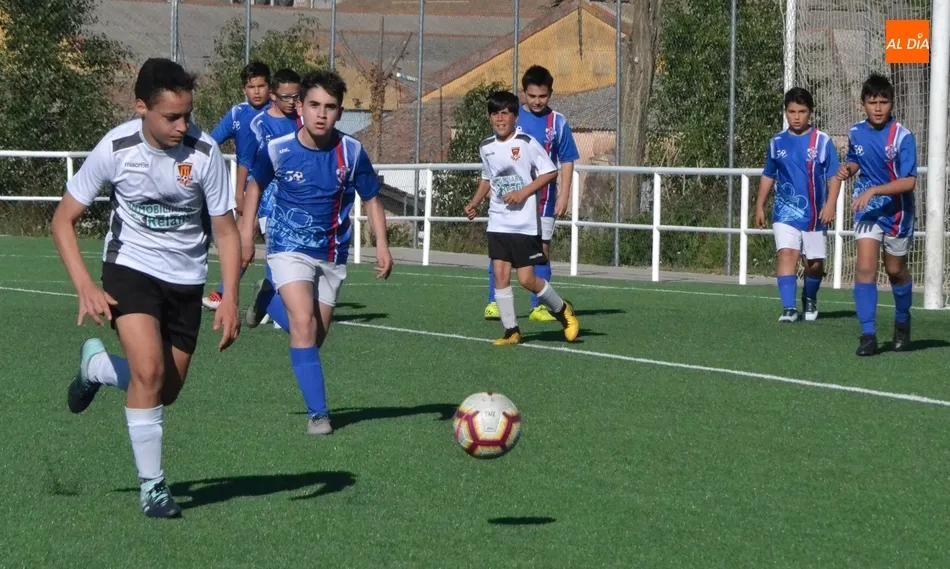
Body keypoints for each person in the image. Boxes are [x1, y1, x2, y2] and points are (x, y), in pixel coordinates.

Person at [51, 57, 242, 519]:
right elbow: (63, 220)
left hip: (185, 278)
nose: (182, 126)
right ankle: (153, 488)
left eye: (188, 115)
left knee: (165, 390)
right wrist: (83, 285)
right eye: (171, 117)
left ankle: (97, 367)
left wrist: (231, 295)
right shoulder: (116, 148)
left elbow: (227, 230)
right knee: (150, 372)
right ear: (142, 108)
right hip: (129, 268)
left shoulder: (205, 153)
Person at [239, 70, 393, 435]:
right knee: (304, 327)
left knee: (313, 336)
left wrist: (382, 245)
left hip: (332, 252)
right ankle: (318, 414)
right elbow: (254, 189)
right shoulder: (278, 150)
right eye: (314, 105)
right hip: (288, 249)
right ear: (300, 108)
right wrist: (247, 236)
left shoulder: (352, 151)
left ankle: (266, 300)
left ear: (340, 112)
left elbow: (371, 198)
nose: (321, 114)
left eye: (330, 107)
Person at [464, 91, 580, 345]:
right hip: (498, 221)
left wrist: (523, 192)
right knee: (500, 274)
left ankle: (563, 312)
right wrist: (475, 202)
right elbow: (488, 178)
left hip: (524, 223)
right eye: (495, 114)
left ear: (516, 117)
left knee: (527, 279)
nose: (500, 119)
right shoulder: (486, 147)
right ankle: (512, 330)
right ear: (489, 117)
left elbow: (549, 172)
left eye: (505, 113)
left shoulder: (526, 142)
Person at [484, 65, 579, 323]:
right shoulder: (513, 118)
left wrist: (564, 196)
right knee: (500, 251)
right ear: (523, 93)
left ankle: (540, 305)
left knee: (541, 249)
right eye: (532, 95)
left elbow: (567, 160)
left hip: (544, 200)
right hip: (509, 203)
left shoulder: (557, 122)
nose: (537, 101)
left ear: (550, 94)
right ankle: (494, 301)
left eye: (543, 96)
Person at [834, 73, 917, 356]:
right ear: (863, 104)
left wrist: (876, 190)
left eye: (884, 102)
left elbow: (909, 182)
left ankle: (903, 320)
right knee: (866, 268)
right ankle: (868, 334)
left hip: (897, 212)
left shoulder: (903, 137)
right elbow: (856, 160)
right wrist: (848, 169)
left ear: (892, 104)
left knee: (895, 271)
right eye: (873, 102)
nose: (878, 108)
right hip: (868, 210)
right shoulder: (856, 132)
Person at [754, 87, 840, 322]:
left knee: (813, 264)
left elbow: (834, 175)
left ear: (810, 112)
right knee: (786, 254)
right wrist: (759, 205)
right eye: (792, 111)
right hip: (784, 211)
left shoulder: (822, 141)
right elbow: (768, 174)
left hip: (814, 214)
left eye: (802, 111)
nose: (796, 116)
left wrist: (831, 204)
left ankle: (809, 297)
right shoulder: (777, 142)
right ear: (786, 112)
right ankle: (789, 308)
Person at [201, 61, 272, 311]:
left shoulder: (279, 113)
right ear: (244, 88)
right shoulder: (237, 114)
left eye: (261, 85)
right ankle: (230, 294)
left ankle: (270, 301)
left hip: (277, 189)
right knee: (244, 243)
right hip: (251, 190)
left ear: (269, 86)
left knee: (276, 244)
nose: (256, 91)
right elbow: (210, 142)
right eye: (251, 86)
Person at [241, 68, 304, 331]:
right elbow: (245, 162)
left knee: (297, 252)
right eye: (286, 97)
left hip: (297, 197)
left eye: (296, 96)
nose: (292, 102)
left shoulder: (302, 120)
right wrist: (241, 198)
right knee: (279, 252)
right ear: (274, 95)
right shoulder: (257, 124)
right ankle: (280, 305)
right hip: (268, 197)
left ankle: (271, 300)